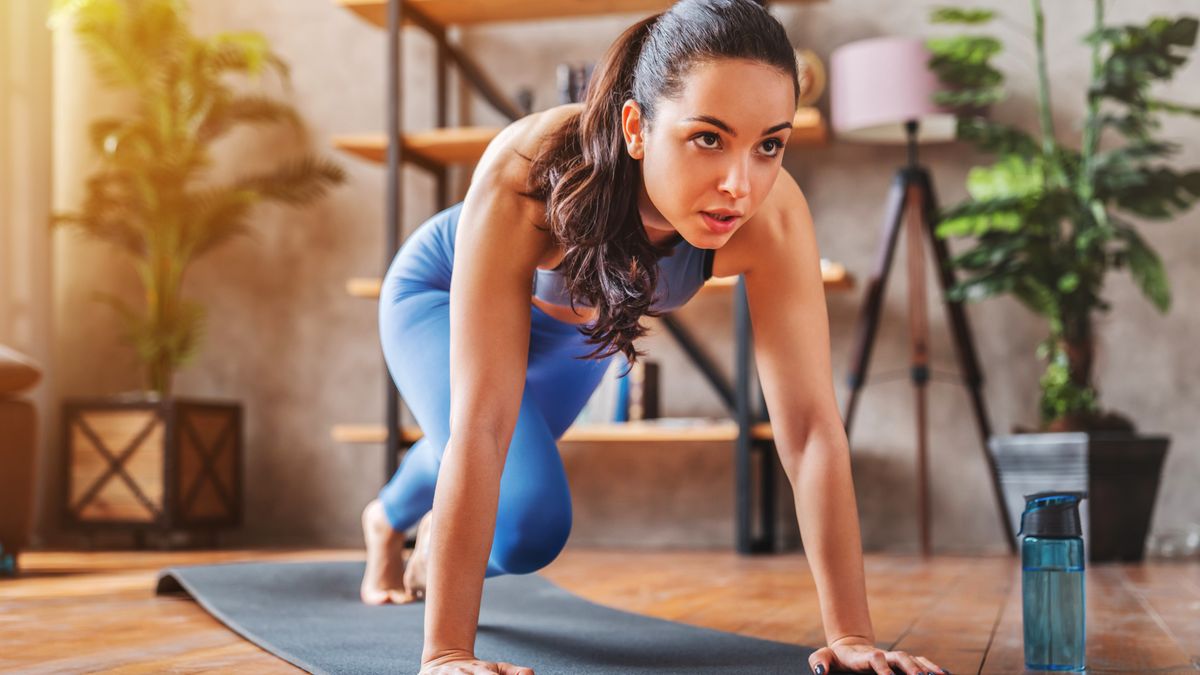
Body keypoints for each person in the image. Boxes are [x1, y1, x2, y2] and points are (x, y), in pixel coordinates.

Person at [360, 1, 950, 674]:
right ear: (637, 128)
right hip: (437, 294)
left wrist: (850, 636)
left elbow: (812, 427)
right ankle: (406, 529)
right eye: (708, 138)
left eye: (769, 144)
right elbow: (482, 425)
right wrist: (446, 654)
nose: (740, 184)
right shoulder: (527, 171)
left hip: (584, 328)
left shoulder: (772, 215)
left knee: (515, 522)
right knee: (527, 518)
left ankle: (389, 518)